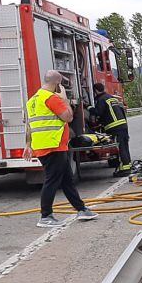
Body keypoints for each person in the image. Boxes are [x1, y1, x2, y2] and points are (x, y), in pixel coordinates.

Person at [24, 70, 99, 228]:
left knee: (66, 180)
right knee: (52, 180)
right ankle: (46, 216)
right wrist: (64, 99)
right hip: (53, 145)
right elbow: (68, 117)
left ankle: (81, 209)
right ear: (57, 84)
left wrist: (28, 145)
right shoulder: (52, 98)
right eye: (60, 85)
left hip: (44, 145)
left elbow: (29, 125)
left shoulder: (32, 100)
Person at [91, 82, 131, 177]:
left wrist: (89, 108)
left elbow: (98, 112)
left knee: (119, 148)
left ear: (95, 91)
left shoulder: (101, 100)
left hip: (114, 128)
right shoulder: (112, 98)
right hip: (122, 126)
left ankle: (124, 170)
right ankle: (127, 166)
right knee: (124, 146)